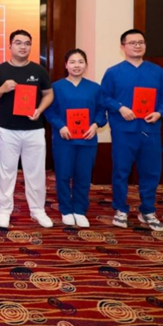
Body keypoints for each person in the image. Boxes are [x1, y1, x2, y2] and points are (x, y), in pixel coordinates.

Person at [101, 29, 163, 231]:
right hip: (123, 131)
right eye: (132, 43)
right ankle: (120, 209)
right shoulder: (113, 72)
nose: (137, 46)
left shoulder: (157, 72)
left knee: (150, 172)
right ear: (122, 47)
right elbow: (103, 97)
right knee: (121, 171)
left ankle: (147, 210)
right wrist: (120, 108)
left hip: (150, 130)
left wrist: (159, 113)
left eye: (141, 42)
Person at [0, 30, 54, 229]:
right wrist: (2, 89)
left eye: (27, 43)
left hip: (34, 129)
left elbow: (48, 94)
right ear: (10, 46)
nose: (23, 47)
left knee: (36, 172)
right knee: (5, 172)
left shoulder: (39, 70)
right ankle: (4, 210)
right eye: (18, 43)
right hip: (7, 130)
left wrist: (39, 110)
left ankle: (38, 210)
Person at [44, 49, 107, 228]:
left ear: (86, 65)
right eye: (72, 62)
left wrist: (96, 125)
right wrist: (61, 126)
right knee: (63, 175)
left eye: (80, 62)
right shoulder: (56, 87)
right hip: (64, 139)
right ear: (66, 65)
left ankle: (79, 210)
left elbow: (101, 110)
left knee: (83, 176)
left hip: (87, 139)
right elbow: (50, 111)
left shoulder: (95, 88)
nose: (76, 65)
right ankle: (66, 209)